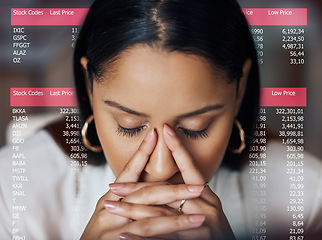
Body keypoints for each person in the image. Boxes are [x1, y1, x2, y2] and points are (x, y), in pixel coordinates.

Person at [0, 0, 321, 239]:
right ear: (89, 85)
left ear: (239, 91)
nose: (162, 168)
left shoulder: (305, 198)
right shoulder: (14, 192)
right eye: (130, 125)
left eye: (197, 128)